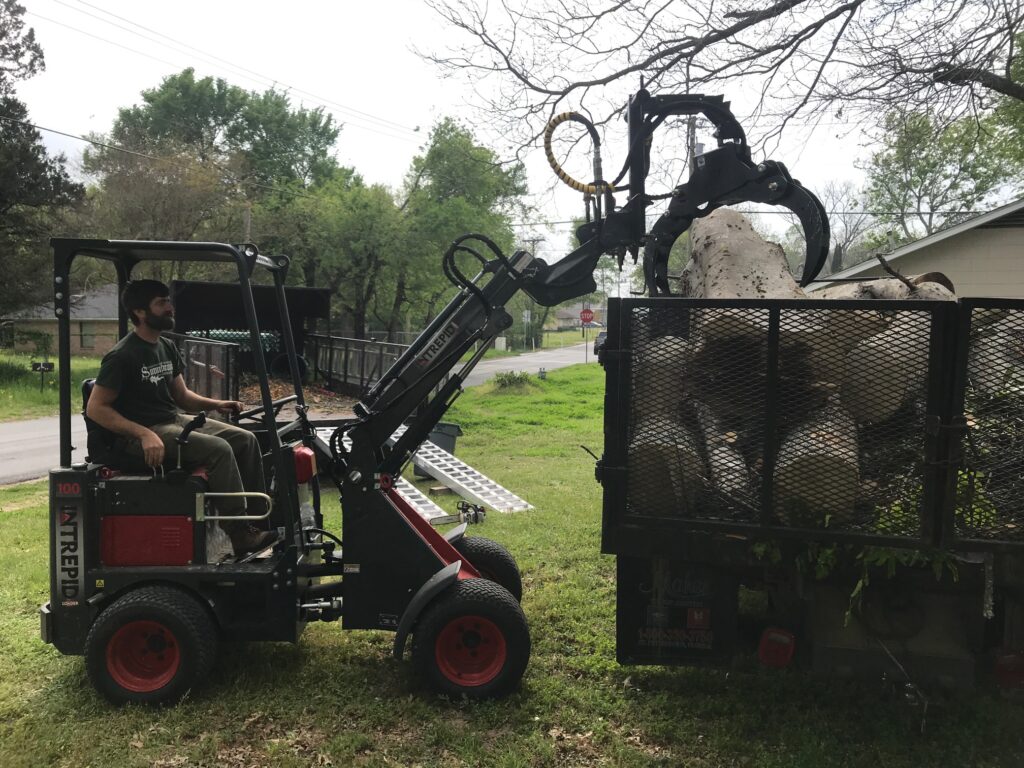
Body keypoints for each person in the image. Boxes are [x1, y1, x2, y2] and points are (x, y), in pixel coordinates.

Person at [86, 279, 277, 556]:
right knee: (220, 450)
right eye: (161, 303)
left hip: (173, 421)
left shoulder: (165, 346)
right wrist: (143, 434)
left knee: (245, 440)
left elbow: (182, 397)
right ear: (140, 312)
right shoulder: (122, 356)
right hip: (141, 435)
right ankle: (239, 535)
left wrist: (218, 403)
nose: (169, 307)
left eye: (168, 301)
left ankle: (258, 523)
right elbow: (96, 408)